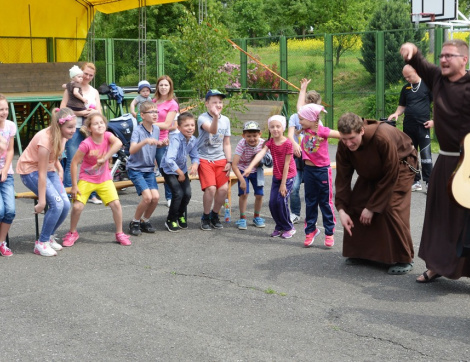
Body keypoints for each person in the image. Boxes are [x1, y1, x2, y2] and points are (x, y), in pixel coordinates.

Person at [400, 39, 470, 282]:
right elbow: (419, 60)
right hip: (446, 162)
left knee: (466, 221)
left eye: (449, 56)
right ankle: (436, 265)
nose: (443, 59)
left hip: (469, 165)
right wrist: (411, 49)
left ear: (464, 59)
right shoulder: (438, 78)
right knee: (439, 217)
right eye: (441, 55)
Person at [335, 113, 418, 275]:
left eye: (351, 138)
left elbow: (390, 174)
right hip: (373, 168)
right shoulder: (344, 145)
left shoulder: (382, 138)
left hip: (401, 165)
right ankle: (360, 252)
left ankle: (404, 258)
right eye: (344, 139)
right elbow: (342, 178)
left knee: (390, 207)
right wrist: (341, 209)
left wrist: (372, 207)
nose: (348, 143)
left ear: (361, 131)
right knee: (357, 202)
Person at [62, 112, 131, 247]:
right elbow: (74, 163)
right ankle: (72, 233)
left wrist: (105, 158)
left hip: (104, 179)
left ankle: (120, 233)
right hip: (87, 179)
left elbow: (118, 143)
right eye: (95, 123)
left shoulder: (107, 136)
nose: (99, 125)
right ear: (89, 128)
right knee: (77, 207)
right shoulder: (86, 144)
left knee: (116, 204)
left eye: (101, 123)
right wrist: (74, 185)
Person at [16, 108, 76, 256]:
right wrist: (42, 202)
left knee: (66, 204)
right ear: (58, 126)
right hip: (30, 171)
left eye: (74, 126)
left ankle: (49, 237)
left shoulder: (62, 135)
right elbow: (41, 174)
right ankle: (41, 243)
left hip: (48, 170)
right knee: (57, 204)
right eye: (69, 127)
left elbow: (53, 156)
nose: (73, 130)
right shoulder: (45, 140)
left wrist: (59, 169)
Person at [243, 115, 297, 239]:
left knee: (281, 201)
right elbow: (260, 154)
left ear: (283, 127)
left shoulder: (288, 143)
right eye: (272, 127)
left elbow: (287, 164)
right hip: (277, 176)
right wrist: (250, 167)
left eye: (278, 126)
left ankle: (289, 227)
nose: (275, 129)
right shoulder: (271, 142)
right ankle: (279, 226)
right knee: (272, 203)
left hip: (287, 177)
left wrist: (283, 184)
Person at [297, 103, 339, 248]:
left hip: (322, 171)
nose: (300, 121)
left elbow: (340, 135)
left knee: (325, 203)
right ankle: (310, 231)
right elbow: (300, 107)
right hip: (308, 172)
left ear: (311, 119)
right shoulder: (305, 130)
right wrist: (302, 89)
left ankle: (329, 233)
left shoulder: (322, 131)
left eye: (302, 119)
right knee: (310, 202)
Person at [60, 62, 102, 205]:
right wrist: (80, 112)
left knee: (92, 160)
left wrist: (92, 113)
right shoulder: (71, 88)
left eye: (91, 75)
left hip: (90, 129)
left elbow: (100, 112)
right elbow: (62, 109)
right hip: (74, 128)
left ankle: (92, 193)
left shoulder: (94, 91)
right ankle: (68, 191)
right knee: (72, 161)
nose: (87, 77)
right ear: (80, 72)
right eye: (85, 74)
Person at [388, 64, 433, 192]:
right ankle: (415, 181)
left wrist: (434, 121)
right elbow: (402, 105)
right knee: (410, 154)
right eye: (405, 77)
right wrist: (396, 113)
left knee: (426, 155)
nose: (407, 79)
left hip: (423, 126)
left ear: (416, 71)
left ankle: (429, 182)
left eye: (409, 76)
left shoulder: (427, 86)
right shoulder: (406, 88)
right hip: (408, 126)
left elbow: (438, 104)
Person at [126, 101, 168, 236]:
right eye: (152, 112)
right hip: (136, 169)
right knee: (147, 198)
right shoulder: (138, 131)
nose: (155, 114)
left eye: (156, 112)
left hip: (149, 169)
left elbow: (154, 145)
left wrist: (161, 144)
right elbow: (132, 150)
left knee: (155, 197)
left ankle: (145, 220)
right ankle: (135, 221)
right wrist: (144, 141)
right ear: (142, 115)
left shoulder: (156, 129)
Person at [288, 78, 323, 224]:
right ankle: (295, 213)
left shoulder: (317, 122)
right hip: (297, 159)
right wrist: (295, 145)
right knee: (294, 187)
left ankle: (311, 217)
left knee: (311, 191)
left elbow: (319, 141)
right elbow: (290, 134)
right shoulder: (296, 117)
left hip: (310, 161)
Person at [197, 89, 232, 231]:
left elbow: (227, 143)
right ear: (207, 104)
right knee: (211, 189)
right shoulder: (202, 118)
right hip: (204, 158)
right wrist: (216, 117)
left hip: (220, 159)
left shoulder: (226, 120)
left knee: (223, 189)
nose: (218, 105)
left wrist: (229, 161)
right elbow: (212, 130)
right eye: (214, 102)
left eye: (220, 102)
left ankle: (214, 215)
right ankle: (205, 216)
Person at [160, 112, 200, 232]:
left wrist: (195, 164)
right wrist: (180, 173)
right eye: (186, 125)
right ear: (179, 127)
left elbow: (195, 156)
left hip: (181, 169)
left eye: (192, 125)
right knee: (178, 194)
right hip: (168, 169)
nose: (190, 128)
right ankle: (170, 219)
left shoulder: (193, 139)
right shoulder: (176, 139)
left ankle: (180, 215)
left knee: (187, 194)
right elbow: (169, 159)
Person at [232, 121, 266, 230]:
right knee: (244, 194)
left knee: (259, 195)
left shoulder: (263, 143)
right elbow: (234, 164)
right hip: (242, 169)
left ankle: (257, 216)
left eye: (255, 135)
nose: (252, 138)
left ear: (260, 134)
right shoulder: (242, 144)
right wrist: (241, 180)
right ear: (243, 136)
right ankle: (242, 218)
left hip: (257, 170)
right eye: (248, 136)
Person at [153, 75, 179, 208]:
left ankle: (170, 196)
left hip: (162, 141)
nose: (163, 87)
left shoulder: (172, 104)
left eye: (166, 85)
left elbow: (168, 124)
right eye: (161, 85)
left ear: (170, 87)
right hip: (149, 139)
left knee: (165, 170)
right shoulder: (154, 101)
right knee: (146, 168)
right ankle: (150, 196)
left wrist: (149, 123)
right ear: (157, 86)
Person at [0, 95, 16, 257]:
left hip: (7, 174)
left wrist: (5, 170)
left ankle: (1, 242)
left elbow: (10, 150)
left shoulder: (10, 126)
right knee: (0, 210)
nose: (4, 112)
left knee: (10, 211)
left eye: (5, 109)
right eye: (0, 110)